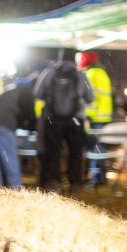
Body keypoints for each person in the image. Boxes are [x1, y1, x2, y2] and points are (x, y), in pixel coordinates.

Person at [34, 58, 93, 193]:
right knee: (75, 153)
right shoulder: (80, 75)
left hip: (52, 119)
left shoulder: (49, 73)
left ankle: (54, 182)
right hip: (76, 119)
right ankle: (75, 183)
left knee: (53, 152)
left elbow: (38, 94)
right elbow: (91, 98)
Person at [0, 78, 36, 189]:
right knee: (9, 156)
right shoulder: (26, 92)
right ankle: (16, 186)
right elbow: (29, 113)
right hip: (4, 123)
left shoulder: (10, 90)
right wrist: (33, 127)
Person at [77, 52, 113, 186]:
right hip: (104, 117)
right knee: (100, 148)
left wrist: (87, 116)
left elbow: (90, 99)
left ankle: (97, 178)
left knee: (95, 149)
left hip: (95, 118)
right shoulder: (102, 73)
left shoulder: (91, 75)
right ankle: (100, 177)